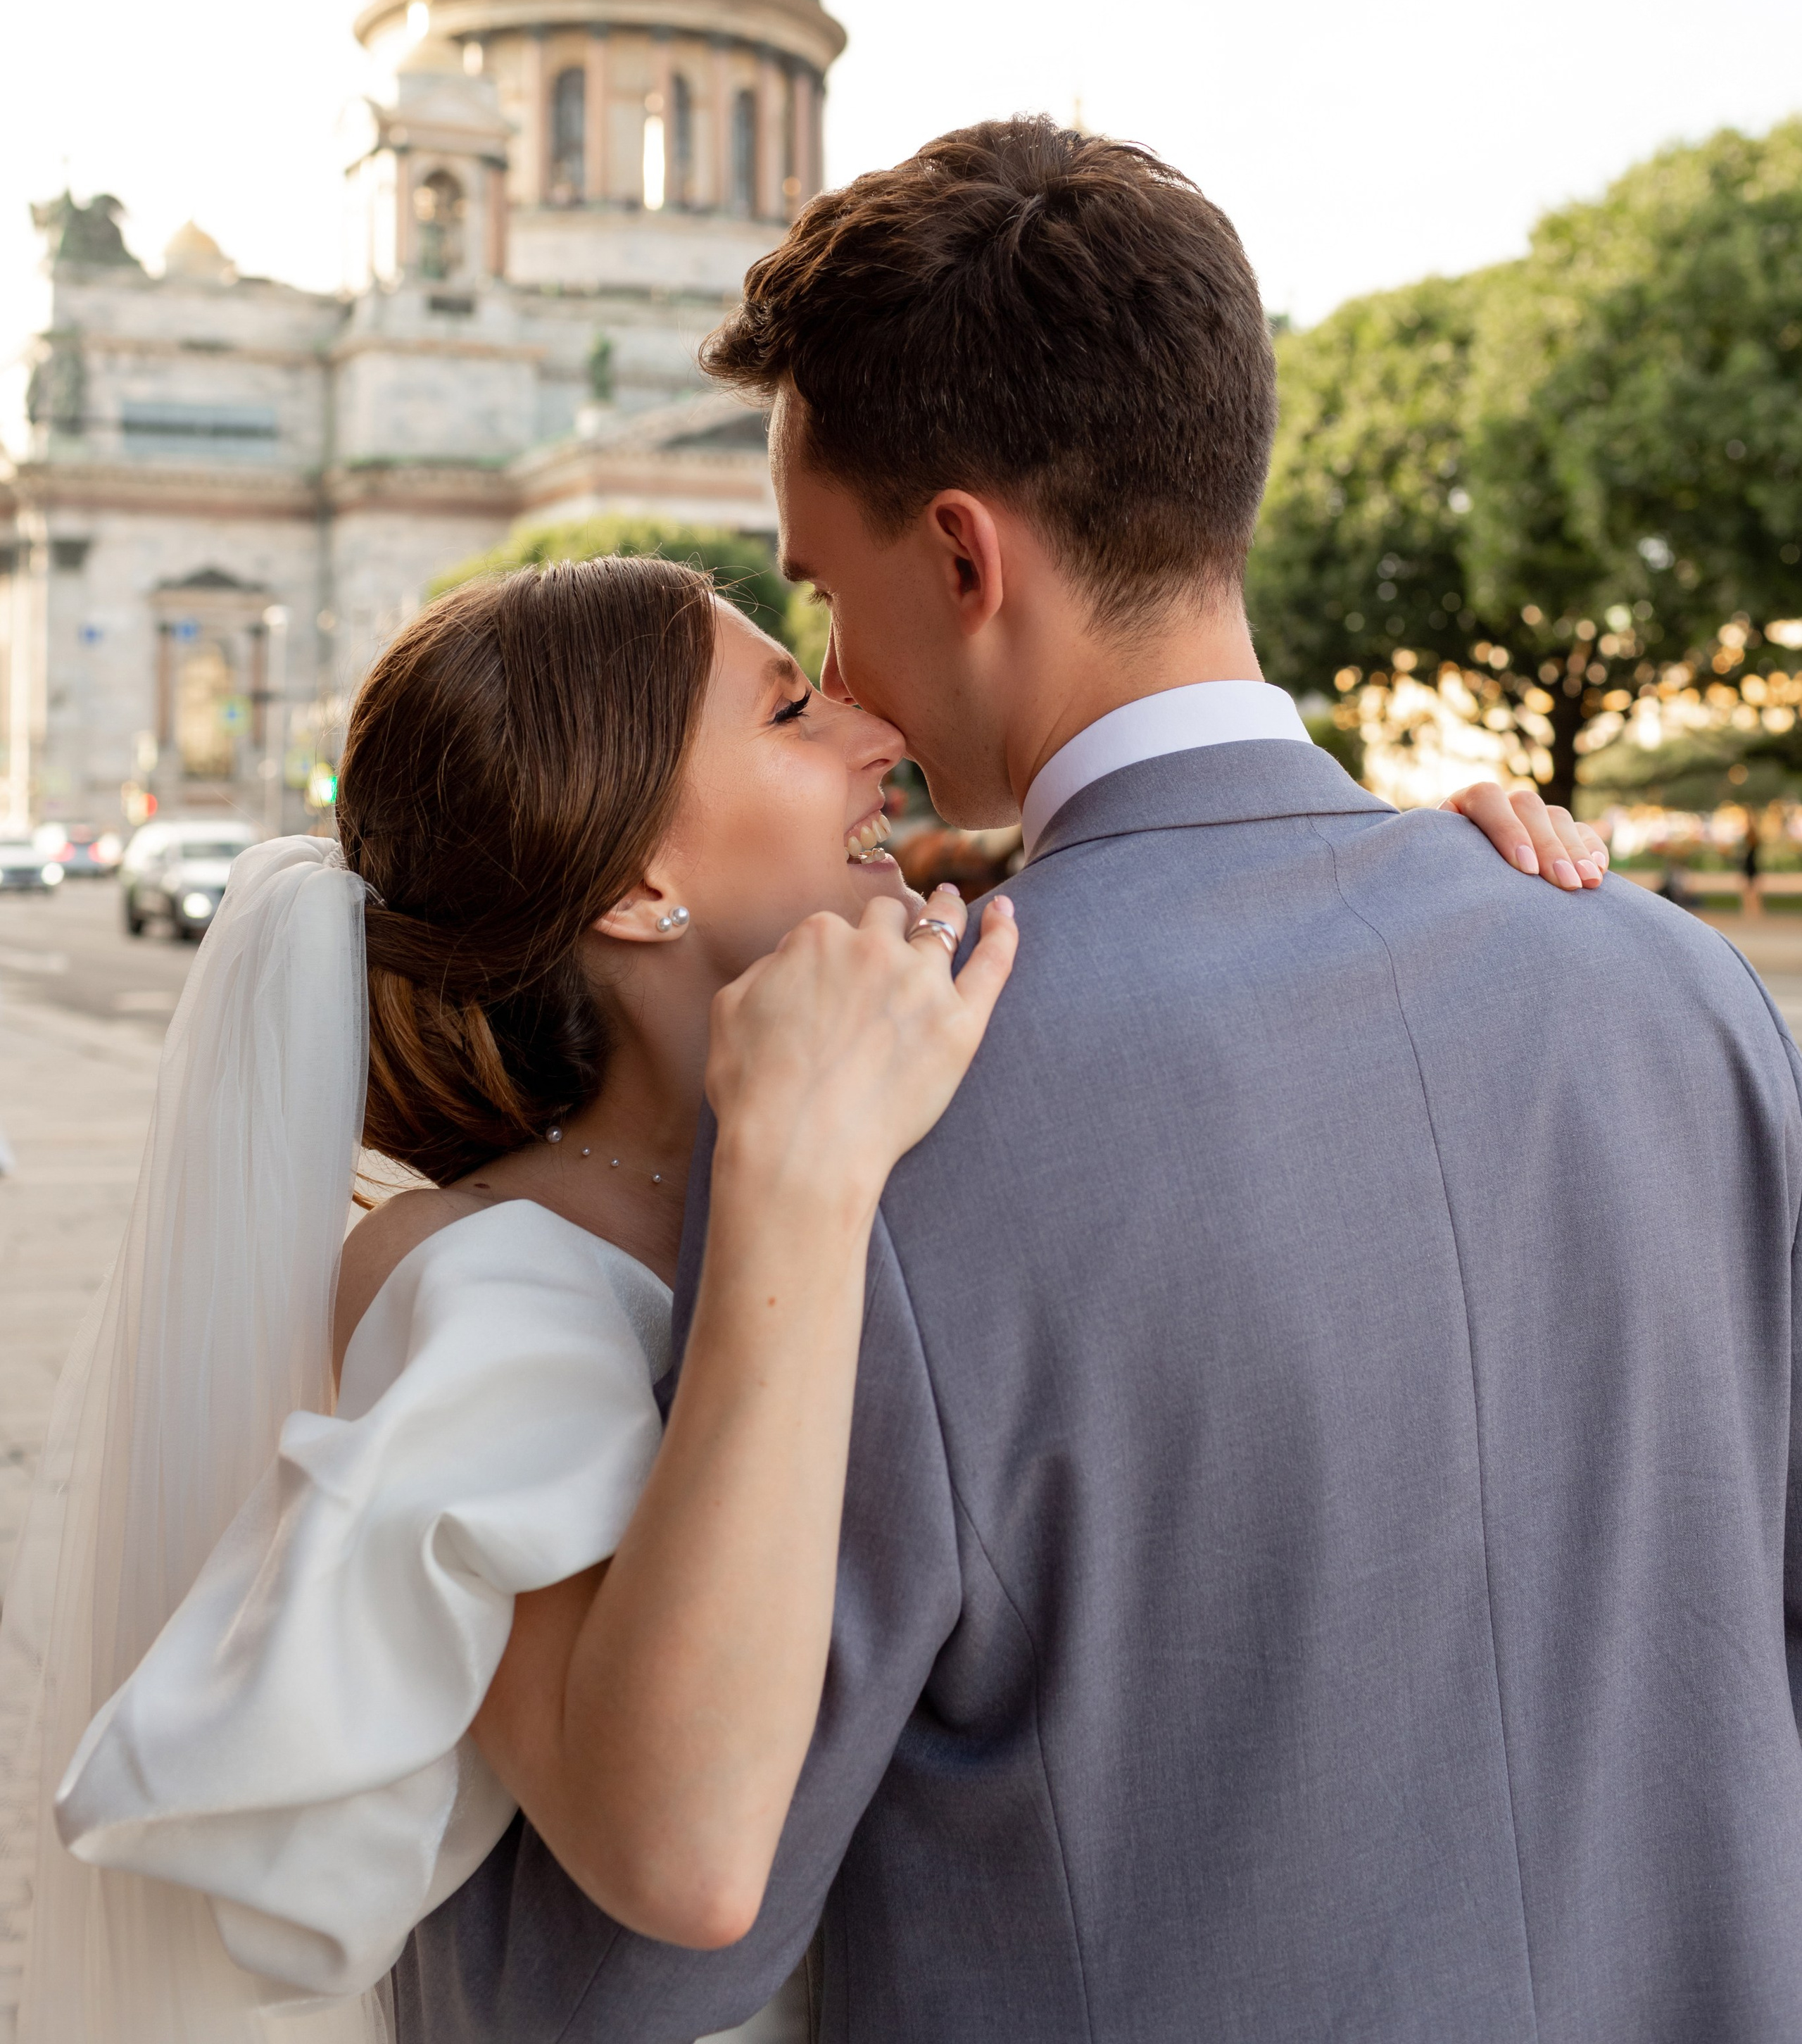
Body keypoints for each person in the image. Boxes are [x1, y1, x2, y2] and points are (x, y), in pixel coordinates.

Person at [406, 119, 1802, 2044]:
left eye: (821, 596)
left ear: (966, 557)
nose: (847, 688)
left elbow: (660, 1947)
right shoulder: (1679, 991)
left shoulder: (872, 1113)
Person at [3, 513, 1592, 2038]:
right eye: (788, 706)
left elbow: (1222, 974)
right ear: (634, 884)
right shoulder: (478, 1276)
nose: (871, 729)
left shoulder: (932, 1059)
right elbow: (680, 1863)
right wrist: (791, 1181)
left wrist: (1425, 881)